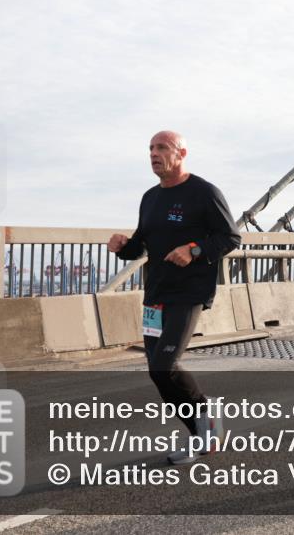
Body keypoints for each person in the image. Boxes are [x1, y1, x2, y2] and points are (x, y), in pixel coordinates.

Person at [108, 130, 241, 463]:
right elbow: (142, 246)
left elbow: (230, 238)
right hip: (156, 295)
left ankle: (205, 430)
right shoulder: (150, 198)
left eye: (162, 147)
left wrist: (194, 250)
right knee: (156, 370)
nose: (154, 153)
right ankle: (203, 427)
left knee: (166, 365)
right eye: (151, 148)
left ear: (181, 153)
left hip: (188, 293)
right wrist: (123, 247)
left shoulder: (204, 193)